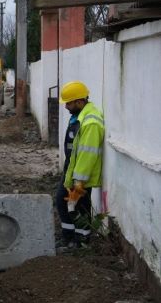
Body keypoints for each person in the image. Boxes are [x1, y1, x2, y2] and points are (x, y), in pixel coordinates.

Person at [55, 81, 105, 249]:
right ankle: (70, 238)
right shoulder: (79, 116)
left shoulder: (90, 122)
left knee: (78, 206)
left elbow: (87, 155)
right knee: (66, 203)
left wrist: (78, 183)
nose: (66, 106)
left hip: (79, 177)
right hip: (72, 171)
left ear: (80, 101)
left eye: (69, 103)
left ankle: (82, 241)